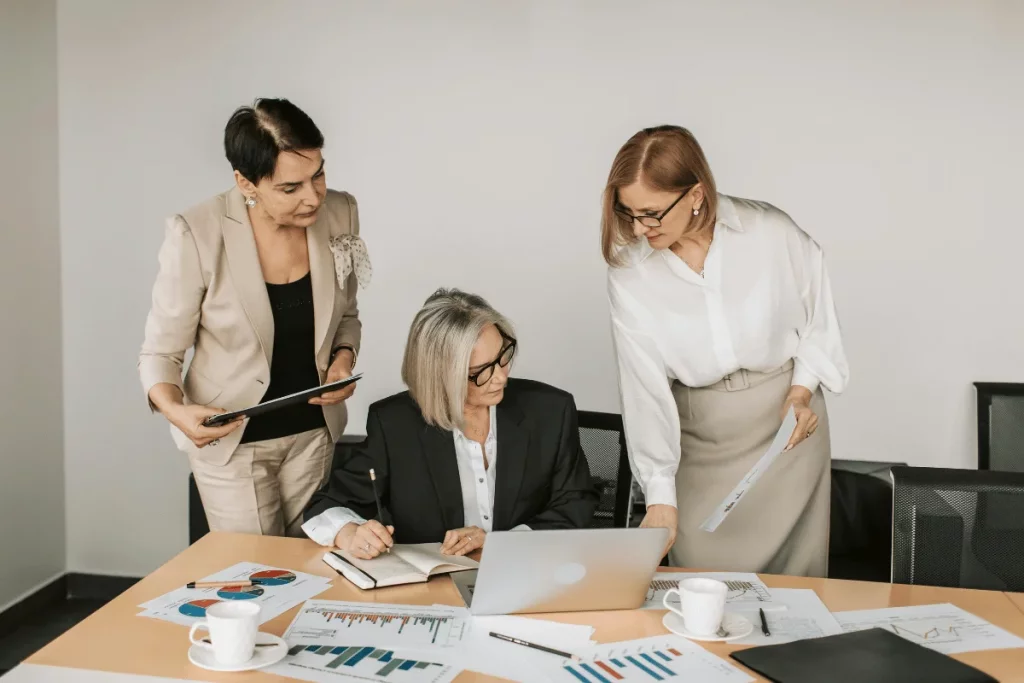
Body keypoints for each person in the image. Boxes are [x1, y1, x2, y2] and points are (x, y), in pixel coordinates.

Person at [602, 125, 849, 577]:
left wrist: (801, 393)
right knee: (700, 586)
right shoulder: (630, 273)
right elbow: (643, 389)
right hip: (701, 439)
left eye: (652, 213)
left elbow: (819, 319)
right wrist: (659, 495)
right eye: (629, 213)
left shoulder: (771, 232)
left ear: (695, 193)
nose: (639, 228)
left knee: (794, 590)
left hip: (787, 428)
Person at [139, 98, 371, 537]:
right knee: (256, 580)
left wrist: (342, 361)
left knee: (316, 573)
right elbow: (160, 351)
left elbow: (347, 315)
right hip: (233, 443)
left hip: (314, 436)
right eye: (290, 187)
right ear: (246, 181)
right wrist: (177, 411)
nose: (312, 196)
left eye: (318, 174)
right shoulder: (197, 232)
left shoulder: (341, 211)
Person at [303, 289, 597, 558]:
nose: (502, 377)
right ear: (440, 376)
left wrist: (499, 542)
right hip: (431, 591)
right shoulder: (395, 425)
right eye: (481, 371)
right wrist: (351, 533)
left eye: (503, 356)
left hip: (524, 572)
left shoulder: (549, 411)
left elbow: (577, 504)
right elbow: (325, 506)